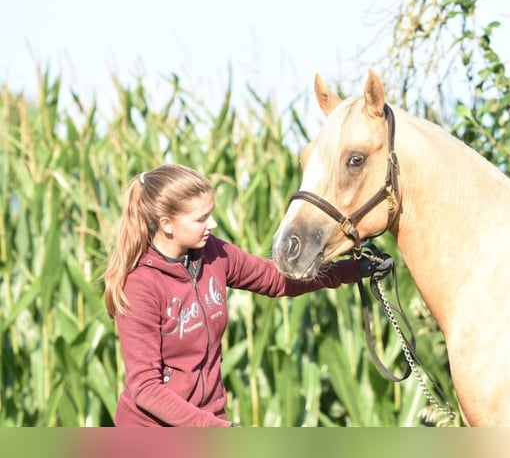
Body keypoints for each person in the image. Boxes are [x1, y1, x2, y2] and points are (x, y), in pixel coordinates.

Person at [102, 163, 385, 427]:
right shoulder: (141, 286)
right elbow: (146, 389)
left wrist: (352, 269)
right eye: (201, 218)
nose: (212, 224)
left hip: (209, 418)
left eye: (211, 213)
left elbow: (275, 280)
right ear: (167, 224)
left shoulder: (213, 252)